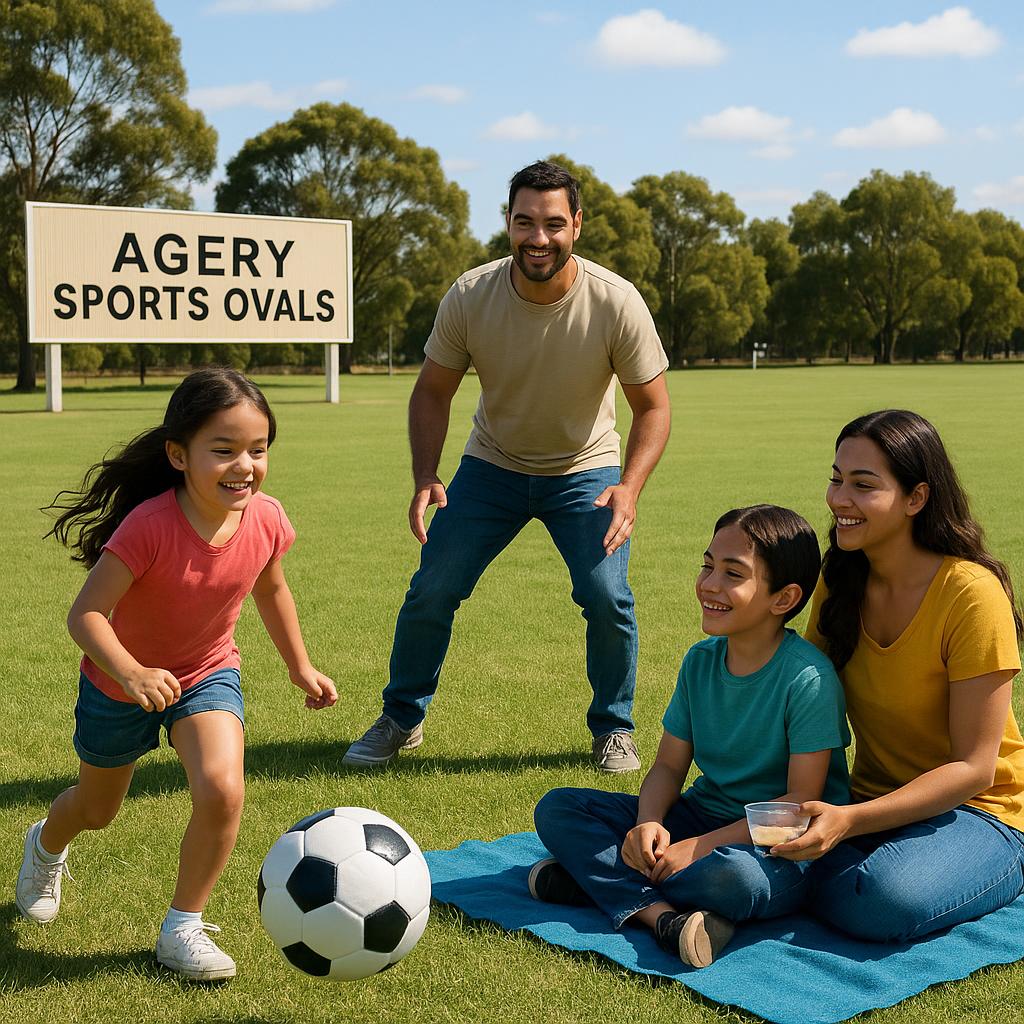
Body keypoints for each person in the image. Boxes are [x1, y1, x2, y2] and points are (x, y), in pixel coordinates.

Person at [343, 160, 671, 772]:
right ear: (508, 223)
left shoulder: (615, 300)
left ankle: (613, 728)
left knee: (606, 596)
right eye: (525, 222)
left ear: (576, 224)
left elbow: (652, 406)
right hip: (492, 466)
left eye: (552, 224)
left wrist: (628, 487)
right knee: (432, 589)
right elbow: (432, 391)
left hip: (586, 469)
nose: (537, 238)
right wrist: (425, 476)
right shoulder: (472, 295)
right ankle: (402, 717)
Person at [15, 368, 337, 981]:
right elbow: (85, 615)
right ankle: (46, 846)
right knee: (95, 808)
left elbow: (271, 590)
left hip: (208, 671)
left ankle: (182, 927)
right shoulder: (150, 526)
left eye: (258, 449)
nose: (244, 465)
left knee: (221, 787)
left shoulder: (266, 518)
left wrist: (300, 667)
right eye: (224, 450)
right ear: (178, 454)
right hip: (118, 687)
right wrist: (132, 671)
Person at [530, 505, 850, 968]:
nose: (710, 585)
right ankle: (665, 919)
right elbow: (667, 766)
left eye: (733, 573)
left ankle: (596, 881)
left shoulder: (808, 679)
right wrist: (648, 822)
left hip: (777, 847)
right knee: (560, 808)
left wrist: (697, 849)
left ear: (783, 599)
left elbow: (797, 807)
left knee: (737, 880)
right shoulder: (700, 661)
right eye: (708, 565)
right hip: (700, 815)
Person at [771, 409, 1024, 941]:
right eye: (836, 479)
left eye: (864, 485)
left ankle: (785, 888)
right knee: (751, 845)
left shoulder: (971, 594)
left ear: (916, 498)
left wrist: (850, 823)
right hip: (866, 800)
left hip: (983, 813)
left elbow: (976, 768)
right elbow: (796, 697)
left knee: (887, 899)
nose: (840, 499)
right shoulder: (837, 583)